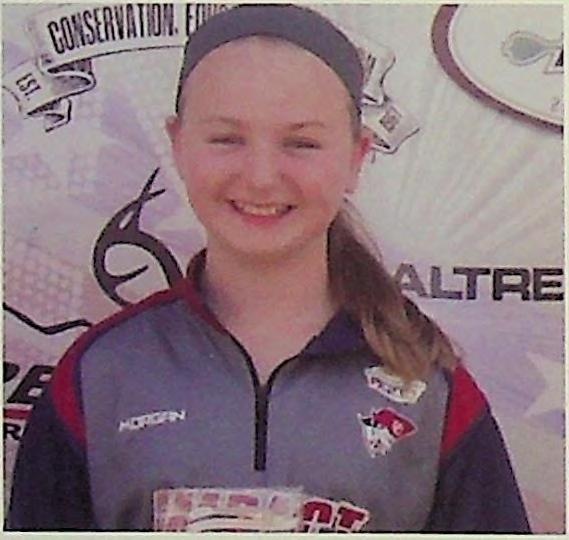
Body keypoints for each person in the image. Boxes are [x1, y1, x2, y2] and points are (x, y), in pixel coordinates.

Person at [7, 4, 530, 533]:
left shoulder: (428, 384)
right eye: (226, 138)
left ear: (357, 157)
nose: (260, 177)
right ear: (178, 145)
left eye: (301, 143)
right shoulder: (99, 374)